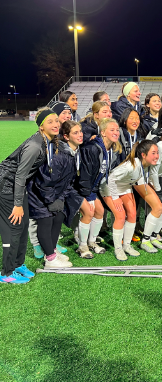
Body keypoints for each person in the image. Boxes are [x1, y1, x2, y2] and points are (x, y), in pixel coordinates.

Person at [0, 108, 59, 284]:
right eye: (50, 122)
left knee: (23, 225)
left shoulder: (47, 141)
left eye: (56, 120)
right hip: (7, 187)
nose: (55, 124)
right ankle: (6, 273)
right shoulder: (35, 146)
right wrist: (18, 204)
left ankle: (18, 265)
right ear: (41, 127)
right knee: (14, 228)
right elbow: (19, 175)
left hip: (17, 186)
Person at [27, 120, 84, 269]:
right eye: (75, 132)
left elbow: (67, 181)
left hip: (51, 193)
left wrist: (61, 197)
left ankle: (51, 251)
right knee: (46, 220)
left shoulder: (73, 152)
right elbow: (44, 181)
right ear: (66, 136)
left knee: (58, 216)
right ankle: (50, 260)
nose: (80, 135)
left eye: (80, 131)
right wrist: (52, 200)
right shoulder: (60, 155)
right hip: (37, 192)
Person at [104, 140, 162, 258]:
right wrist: (115, 197)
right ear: (143, 155)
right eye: (153, 153)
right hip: (109, 187)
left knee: (133, 214)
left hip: (125, 186)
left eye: (157, 153)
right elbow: (111, 179)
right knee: (121, 216)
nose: (157, 156)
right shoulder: (131, 166)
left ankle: (127, 246)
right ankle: (118, 249)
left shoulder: (144, 165)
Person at [76, 118, 122, 258]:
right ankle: (82, 246)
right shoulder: (92, 149)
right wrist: (88, 195)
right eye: (112, 130)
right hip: (80, 188)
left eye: (117, 130)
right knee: (89, 212)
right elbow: (85, 174)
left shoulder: (112, 150)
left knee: (100, 211)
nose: (116, 132)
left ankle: (91, 242)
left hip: (93, 188)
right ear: (103, 132)